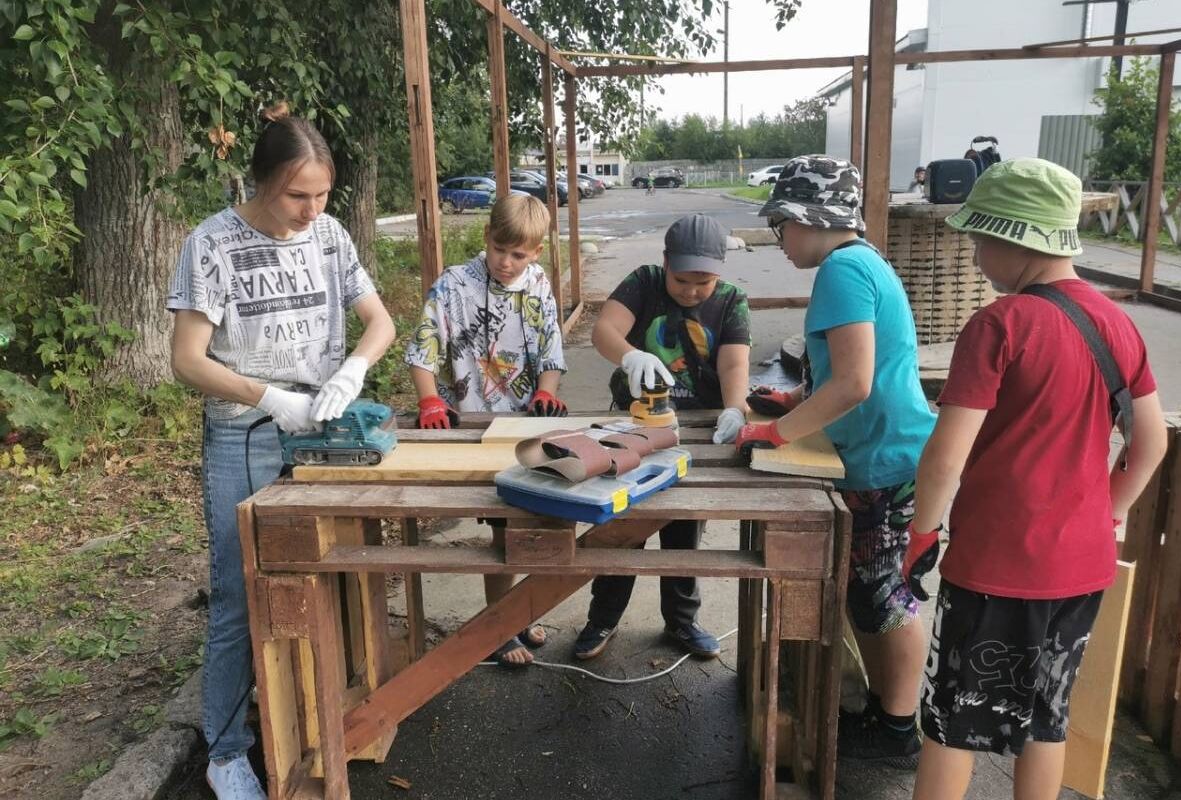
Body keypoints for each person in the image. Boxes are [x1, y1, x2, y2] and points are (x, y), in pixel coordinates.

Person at [907, 158, 1168, 800]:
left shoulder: (1000, 325)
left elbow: (947, 452)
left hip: (997, 566)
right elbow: (1150, 442)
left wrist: (921, 532)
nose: (974, 256)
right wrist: (1105, 513)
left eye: (977, 240)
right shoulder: (1118, 324)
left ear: (1011, 237)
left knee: (951, 725)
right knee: (1045, 719)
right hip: (1081, 566)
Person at [168, 105, 396, 799]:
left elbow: (380, 321)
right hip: (247, 432)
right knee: (242, 589)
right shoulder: (212, 244)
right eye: (298, 195)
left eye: (322, 194)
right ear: (261, 182)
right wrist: (268, 396)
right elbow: (186, 360)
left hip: (324, 428)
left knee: (332, 571)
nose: (311, 209)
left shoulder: (328, 237)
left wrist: (355, 367)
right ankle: (227, 751)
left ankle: (329, 711)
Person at [735, 155, 935, 766]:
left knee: (885, 597)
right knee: (873, 595)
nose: (781, 240)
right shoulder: (860, 263)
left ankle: (898, 730)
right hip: (880, 453)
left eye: (783, 227)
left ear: (812, 218)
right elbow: (842, 368)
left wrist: (776, 432)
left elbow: (853, 383)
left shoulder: (842, 271)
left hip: (884, 458)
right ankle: (887, 711)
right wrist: (794, 398)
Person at [574, 213, 751, 661]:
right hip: (636, 425)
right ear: (666, 262)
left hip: (695, 429)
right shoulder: (645, 282)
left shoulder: (731, 302)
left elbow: (733, 364)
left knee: (683, 527)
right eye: (682, 280)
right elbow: (604, 330)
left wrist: (735, 407)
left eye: (703, 282)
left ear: (719, 272)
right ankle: (603, 619)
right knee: (623, 526)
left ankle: (682, 622)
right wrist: (630, 356)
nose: (692, 291)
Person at [405, 192, 567, 668]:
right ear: (486, 238)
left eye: (519, 254)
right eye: (500, 249)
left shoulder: (537, 283)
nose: (507, 261)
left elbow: (550, 345)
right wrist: (430, 398)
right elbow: (424, 345)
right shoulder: (455, 284)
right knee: (502, 531)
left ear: (536, 252)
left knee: (537, 524)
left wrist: (546, 389)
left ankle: (519, 612)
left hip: (526, 423)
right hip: (474, 424)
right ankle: (501, 624)